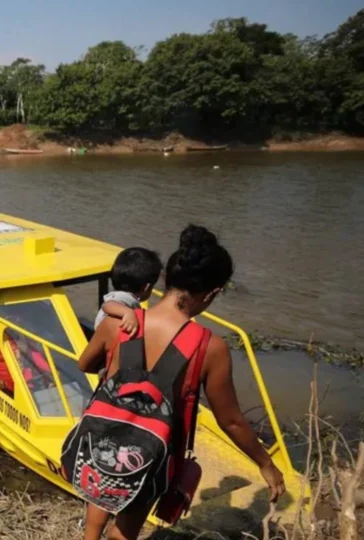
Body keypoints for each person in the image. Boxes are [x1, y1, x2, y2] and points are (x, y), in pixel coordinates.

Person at [76, 225, 286, 540]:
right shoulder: (209, 347)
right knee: (125, 531)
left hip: (104, 438)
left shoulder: (115, 323)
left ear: (165, 281)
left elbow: (86, 364)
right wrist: (266, 464)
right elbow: (230, 420)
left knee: (100, 494)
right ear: (213, 293)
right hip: (153, 452)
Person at [95, 247, 163, 335]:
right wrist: (128, 312)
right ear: (147, 287)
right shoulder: (125, 298)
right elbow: (107, 305)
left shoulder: (122, 297)